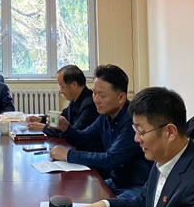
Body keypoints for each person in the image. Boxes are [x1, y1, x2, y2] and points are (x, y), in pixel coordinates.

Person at [49, 64, 151, 198]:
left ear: (121, 98)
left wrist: (68, 155)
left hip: (135, 187)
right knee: (73, 195)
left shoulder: (131, 120)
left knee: (95, 205)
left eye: (101, 95)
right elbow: (84, 138)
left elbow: (111, 159)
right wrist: (66, 128)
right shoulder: (105, 115)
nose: (96, 99)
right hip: (116, 182)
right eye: (94, 93)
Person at [26, 64, 97, 136]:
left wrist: (44, 128)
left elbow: (74, 133)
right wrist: (41, 119)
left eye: (62, 87)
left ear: (74, 85)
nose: (60, 91)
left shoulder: (89, 104)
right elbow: (63, 117)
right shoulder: (76, 98)